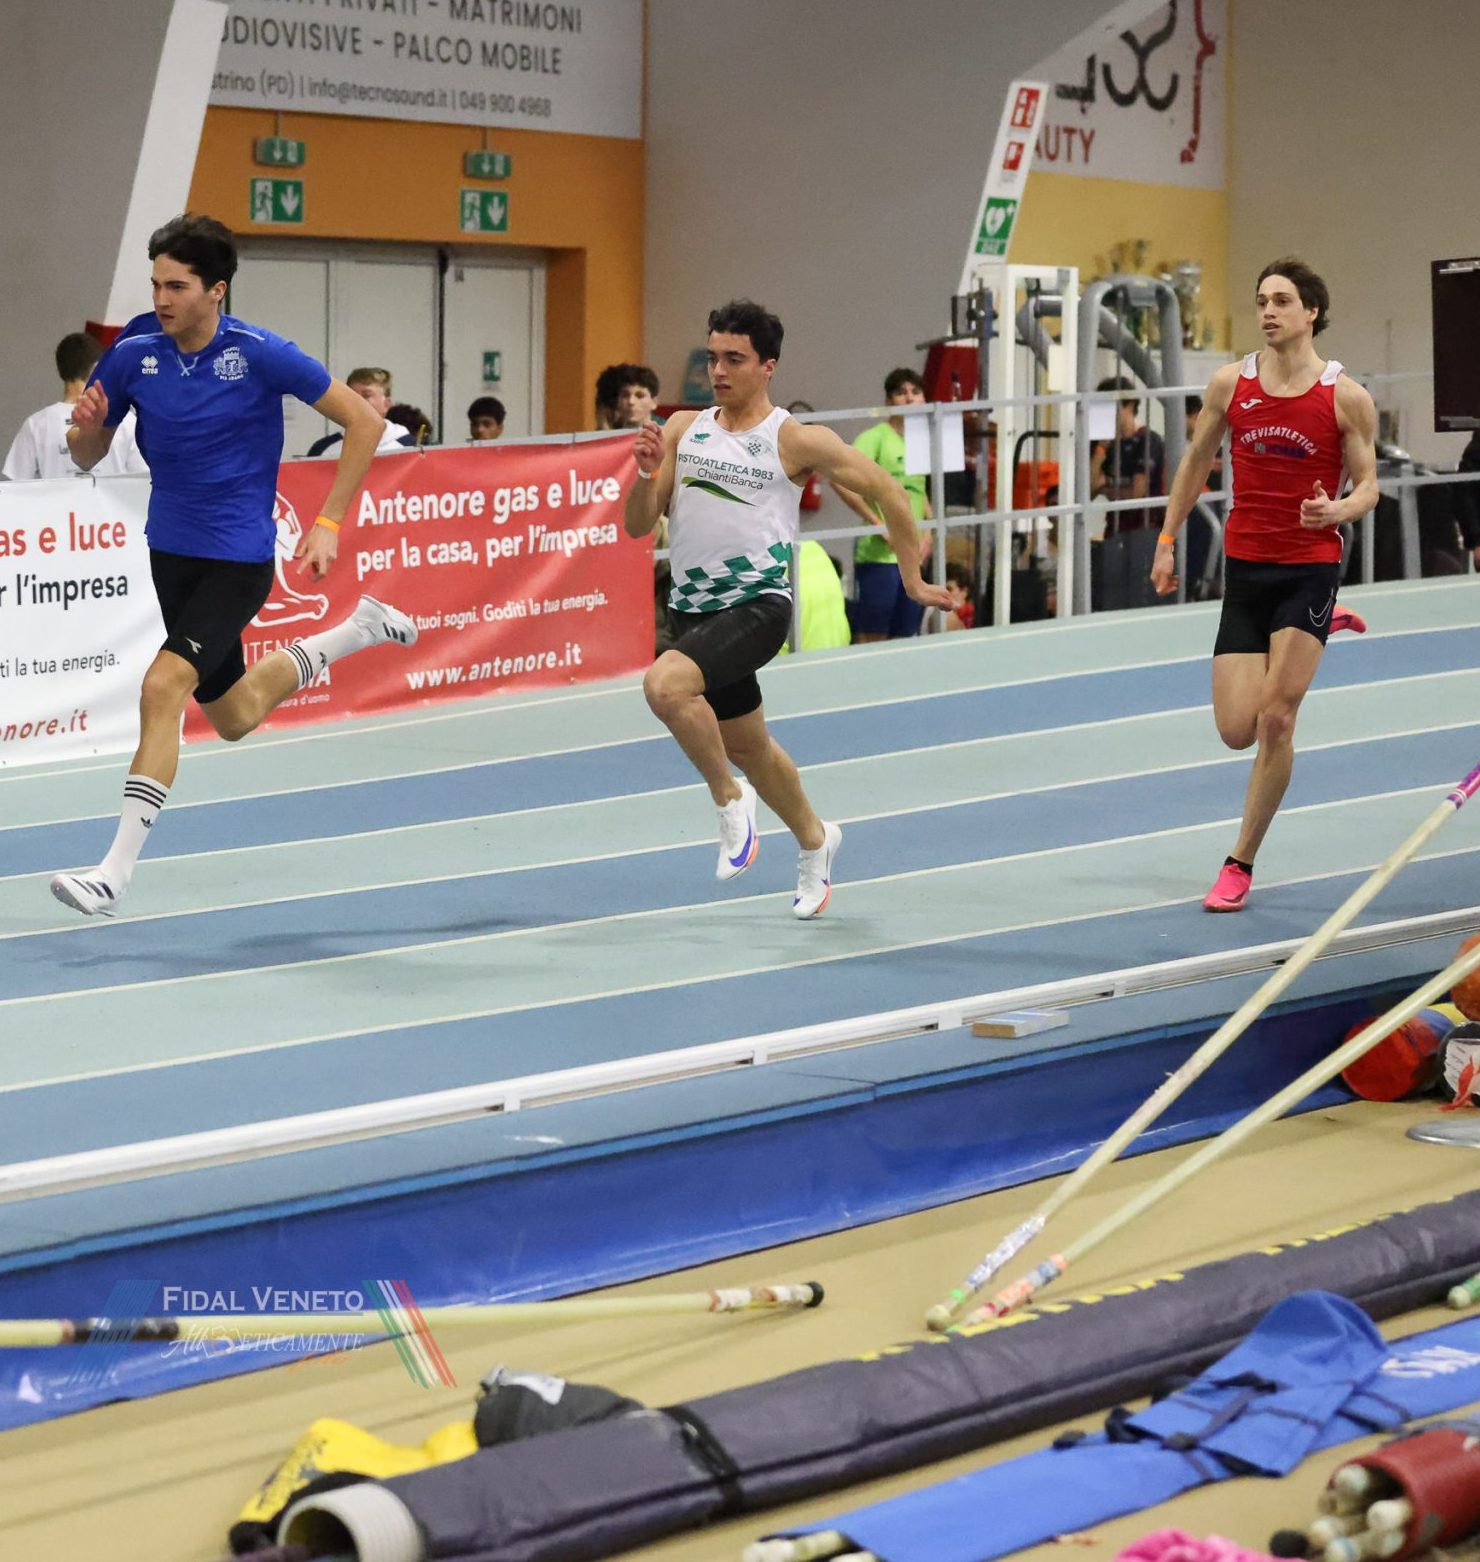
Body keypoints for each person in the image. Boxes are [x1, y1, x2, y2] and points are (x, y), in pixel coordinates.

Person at [50, 213, 418, 918]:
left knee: (163, 686)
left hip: (237, 559)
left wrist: (328, 522)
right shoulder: (134, 353)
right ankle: (359, 630)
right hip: (170, 553)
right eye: (156, 284)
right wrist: (86, 429)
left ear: (216, 289)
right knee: (235, 714)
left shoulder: (260, 353)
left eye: (177, 286)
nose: (161, 299)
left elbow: (365, 422)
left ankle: (112, 874)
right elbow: (87, 453)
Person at [625, 301, 951, 918]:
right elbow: (638, 526)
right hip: (694, 609)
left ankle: (730, 801)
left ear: (767, 366)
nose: (718, 371)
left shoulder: (794, 439)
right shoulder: (683, 429)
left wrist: (911, 577)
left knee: (664, 687)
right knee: (751, 746)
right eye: (714, 357)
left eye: (734, 359)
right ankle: (816, 839)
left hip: (759, 604)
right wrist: (645, 476)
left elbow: (888, 491)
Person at [1152, 257, 1376, 913]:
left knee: (1277, 719)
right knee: (1236, 730)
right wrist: (1166, 539)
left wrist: (1336, 511)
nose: (1268, 312)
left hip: (1309, 566)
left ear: (1311, 312)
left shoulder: (1345, 396)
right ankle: (1317, 630)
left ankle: (1239, 862)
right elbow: (1196, 461)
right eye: (1261, 301)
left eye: (1281, 301)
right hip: (1247, 571)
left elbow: (1369, 486)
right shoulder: (1231, 384)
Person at [831, 366, 933, 641]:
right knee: (874, 635)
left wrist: (929, 530)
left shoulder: (920, 441)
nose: (909, 398)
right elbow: (839, 480)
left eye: (915, 392)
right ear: (889, 401)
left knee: (906, 634)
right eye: (901, 393)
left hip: (913, 555)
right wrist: (878, 524)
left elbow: (918, 488)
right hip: (879, 557)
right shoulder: (875, 438)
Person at [3, 332, 148, 480]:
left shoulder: (36, 425)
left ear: (61, 371)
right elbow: (142, 480)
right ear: (97, 368)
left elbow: (16, 485)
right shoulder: (127, 421)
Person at [1091, 375, 1165, 533]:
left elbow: (1136, 494)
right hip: (1114, 529)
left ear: (1130, 405)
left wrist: (1103, 487)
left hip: (1145, 528)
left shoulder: (1148, 440)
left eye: (1112, 408)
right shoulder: (1104, 444)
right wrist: (1100, 449)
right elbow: (1088, 491)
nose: (1107, 414)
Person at [306, 367, 413, 456]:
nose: (358, 402)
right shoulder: (322, 449)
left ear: (386, 404)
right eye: (352, 395)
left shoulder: (412, 448)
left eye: (366, 395)